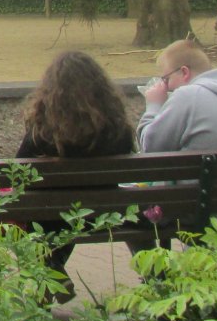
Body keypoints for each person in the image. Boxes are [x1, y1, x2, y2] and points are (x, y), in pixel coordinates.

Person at [15, 50, 135, 302]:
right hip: (102, 215)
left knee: (35, 219)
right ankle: (53, 264)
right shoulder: (118, 130)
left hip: (51, 219)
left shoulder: (42, 132)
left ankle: (51, 268)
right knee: (65, 212)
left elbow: (19, 172)